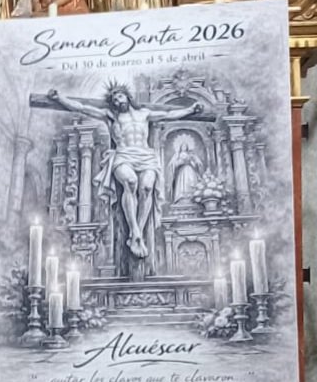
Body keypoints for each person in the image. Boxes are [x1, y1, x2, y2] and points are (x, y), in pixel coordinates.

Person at [36, 84, 200, 266]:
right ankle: (135, 231)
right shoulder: (111, 116)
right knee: (130, 182)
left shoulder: (144, 113)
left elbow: (169, 115)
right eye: (114, 99)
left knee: (147, 188)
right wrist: (59, 98)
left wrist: (190, 109)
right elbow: (82, 107)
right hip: (123, 155)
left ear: (127, 96)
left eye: (119, 97)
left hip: (145, 156)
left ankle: (137, 233)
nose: (117, 101)